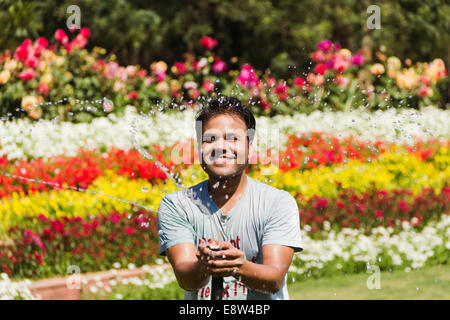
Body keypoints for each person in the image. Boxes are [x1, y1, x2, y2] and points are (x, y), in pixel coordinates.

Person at [157, 95, 303, 300]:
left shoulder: (277, 203)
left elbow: (274, 279)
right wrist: (203, 266)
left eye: (233, 138)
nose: (221, 147)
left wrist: (237, 266)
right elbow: (186, 279)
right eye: (210, 139)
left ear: (250, 147)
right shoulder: (177, 205)